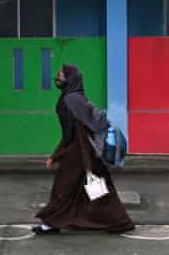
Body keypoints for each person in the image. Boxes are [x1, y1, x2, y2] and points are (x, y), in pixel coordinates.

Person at [33, 64, 134, 235]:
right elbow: (68, 133)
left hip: (81, 153)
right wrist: (55, 155)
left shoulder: (71, 100)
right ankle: (118, 221)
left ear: (69, 79)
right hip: (82, 152)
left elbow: (80, 133)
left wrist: (87, 166)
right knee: (97, 190)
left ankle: (52, 223)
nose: (57, 77)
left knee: (64, 187)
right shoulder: (73, 98)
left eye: (60, 74)